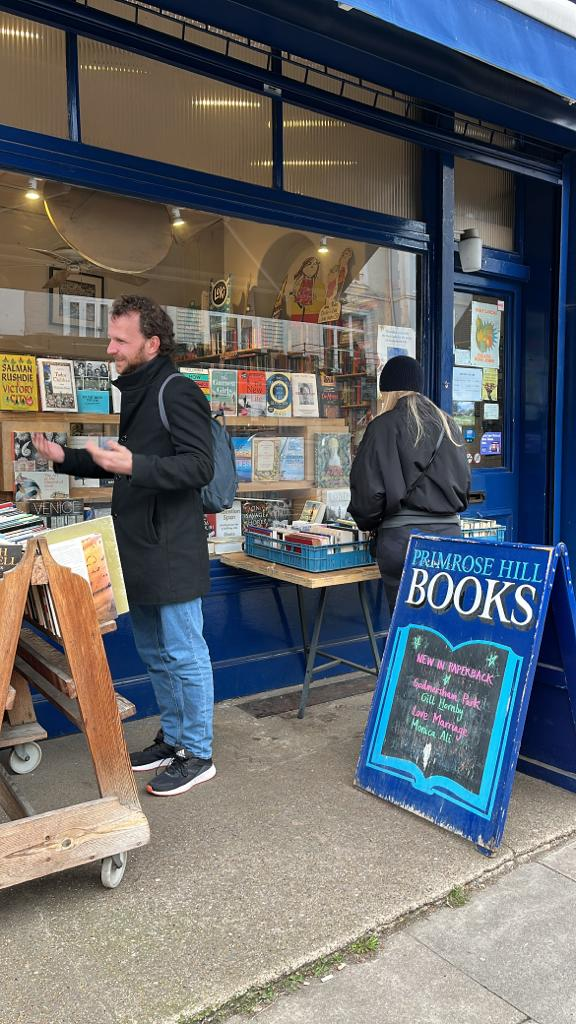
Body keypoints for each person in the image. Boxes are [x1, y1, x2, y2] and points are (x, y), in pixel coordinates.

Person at [32, 295, 216, 798]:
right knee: (157, 651)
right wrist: (63, 458)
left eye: (120, 340)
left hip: (171, 548)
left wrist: (134, 465)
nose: (109, 347)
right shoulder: (141, 388)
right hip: (140, 544)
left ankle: (198, 753)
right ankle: (174, 739)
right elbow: (121, 460)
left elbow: (200, 467)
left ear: (151, 344)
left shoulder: (175, 390)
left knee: (183, 651)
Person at [348, 355, 470, 614]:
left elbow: (367, 495)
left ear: (388, 392)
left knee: (409, 629)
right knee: (443, 626)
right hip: (450, 539)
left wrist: (367, 524)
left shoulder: (382, 426)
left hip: (403, 542)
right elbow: (463, 487)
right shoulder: (450, 426)